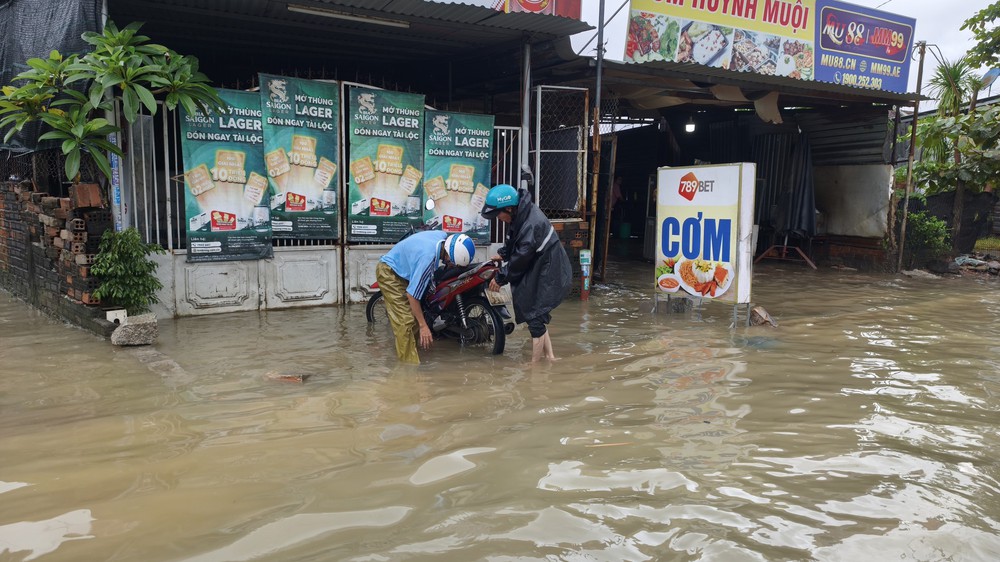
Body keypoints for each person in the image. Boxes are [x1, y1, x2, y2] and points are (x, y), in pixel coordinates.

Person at [481, 183, 571, 362]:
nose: (499, 218)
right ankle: (551, 358)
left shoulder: (530, 224)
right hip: (541, 265)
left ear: (508, 208)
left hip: (549, 271)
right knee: (537, 317)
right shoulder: (521, 214)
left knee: (534, 316)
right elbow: (515, 241)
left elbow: (520, 260)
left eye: (498, 214)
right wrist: (504, 254)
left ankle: (535, 367)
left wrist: (500, 278)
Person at [377, 231, 476, 364]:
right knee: (405, 322)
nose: (453, 267)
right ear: (448, 256)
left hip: (404, 269)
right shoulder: (427, 259)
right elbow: (412, 296)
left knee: (416, 318)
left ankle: (412, 352)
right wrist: (423, 326)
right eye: (454, 264)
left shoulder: (442, 236)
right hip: (390, 272)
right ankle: (409, 368)